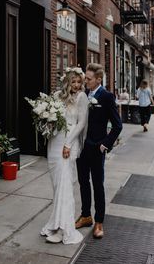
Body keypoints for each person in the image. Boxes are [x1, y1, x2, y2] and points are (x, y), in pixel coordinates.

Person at [40, 67, 89, 244]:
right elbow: (51, 118)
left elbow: (81, 123)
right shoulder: (57, 95)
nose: (76, 85)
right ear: (67, 81)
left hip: (68, 144)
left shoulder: (82, 97)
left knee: (64, 185)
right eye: (73, 81)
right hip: (54, 142)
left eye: (79, 82)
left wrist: (68, 143)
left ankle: (63, 230)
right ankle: (55, 223)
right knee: (57, 186)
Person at [75, 63, 123, 239]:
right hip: (81, 148)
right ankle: (86, 215)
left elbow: (118, 125)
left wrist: (105, 144)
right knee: (82, 182)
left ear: (98, 79)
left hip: (97, 148)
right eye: (85, 78)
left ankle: (99, 221)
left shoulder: (107, 97)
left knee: (97, 185)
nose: (85, 81)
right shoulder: (83, 94)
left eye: (88, 79)